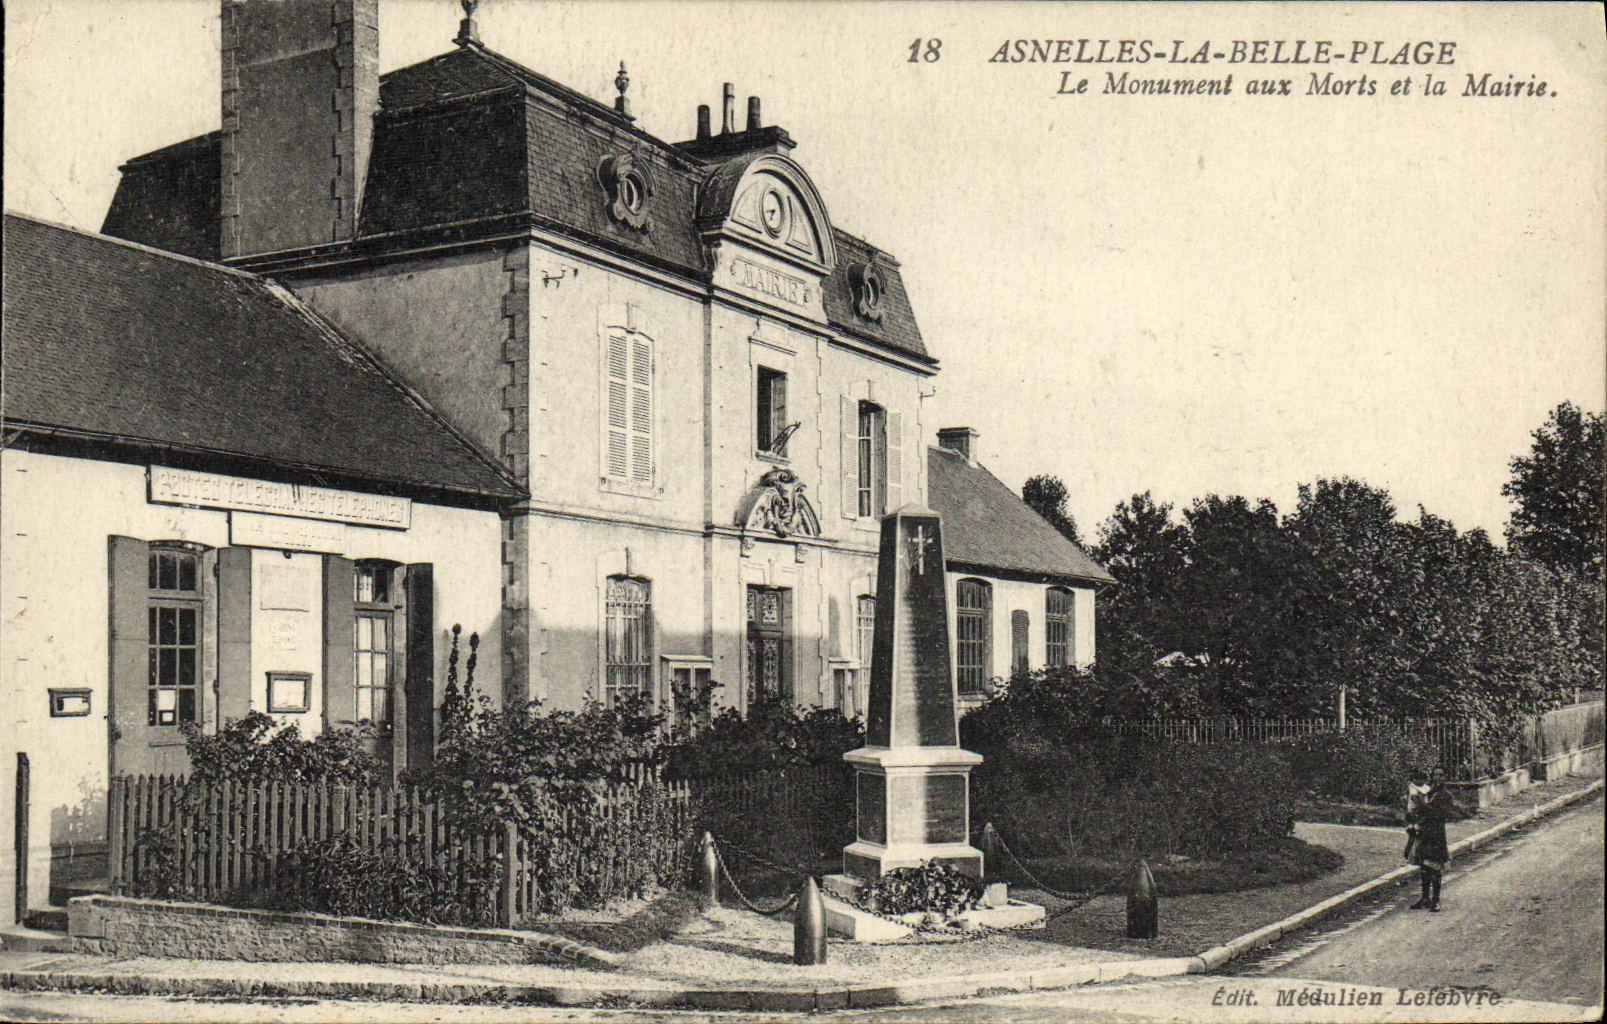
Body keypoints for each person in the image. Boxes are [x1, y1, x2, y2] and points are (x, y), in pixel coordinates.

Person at [1405, 766, 1462, 911]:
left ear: (1445, 777)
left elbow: (1438, 813)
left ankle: (1436, 900)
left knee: (1435, 867)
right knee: (1424, 866)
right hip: (1425, 832)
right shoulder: (1428, 792)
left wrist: (1422, 807)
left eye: (1441, 775)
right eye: (1435, 775)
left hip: (1436, 834)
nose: (1438, 778)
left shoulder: (1446, 795)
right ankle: (1425, 898)